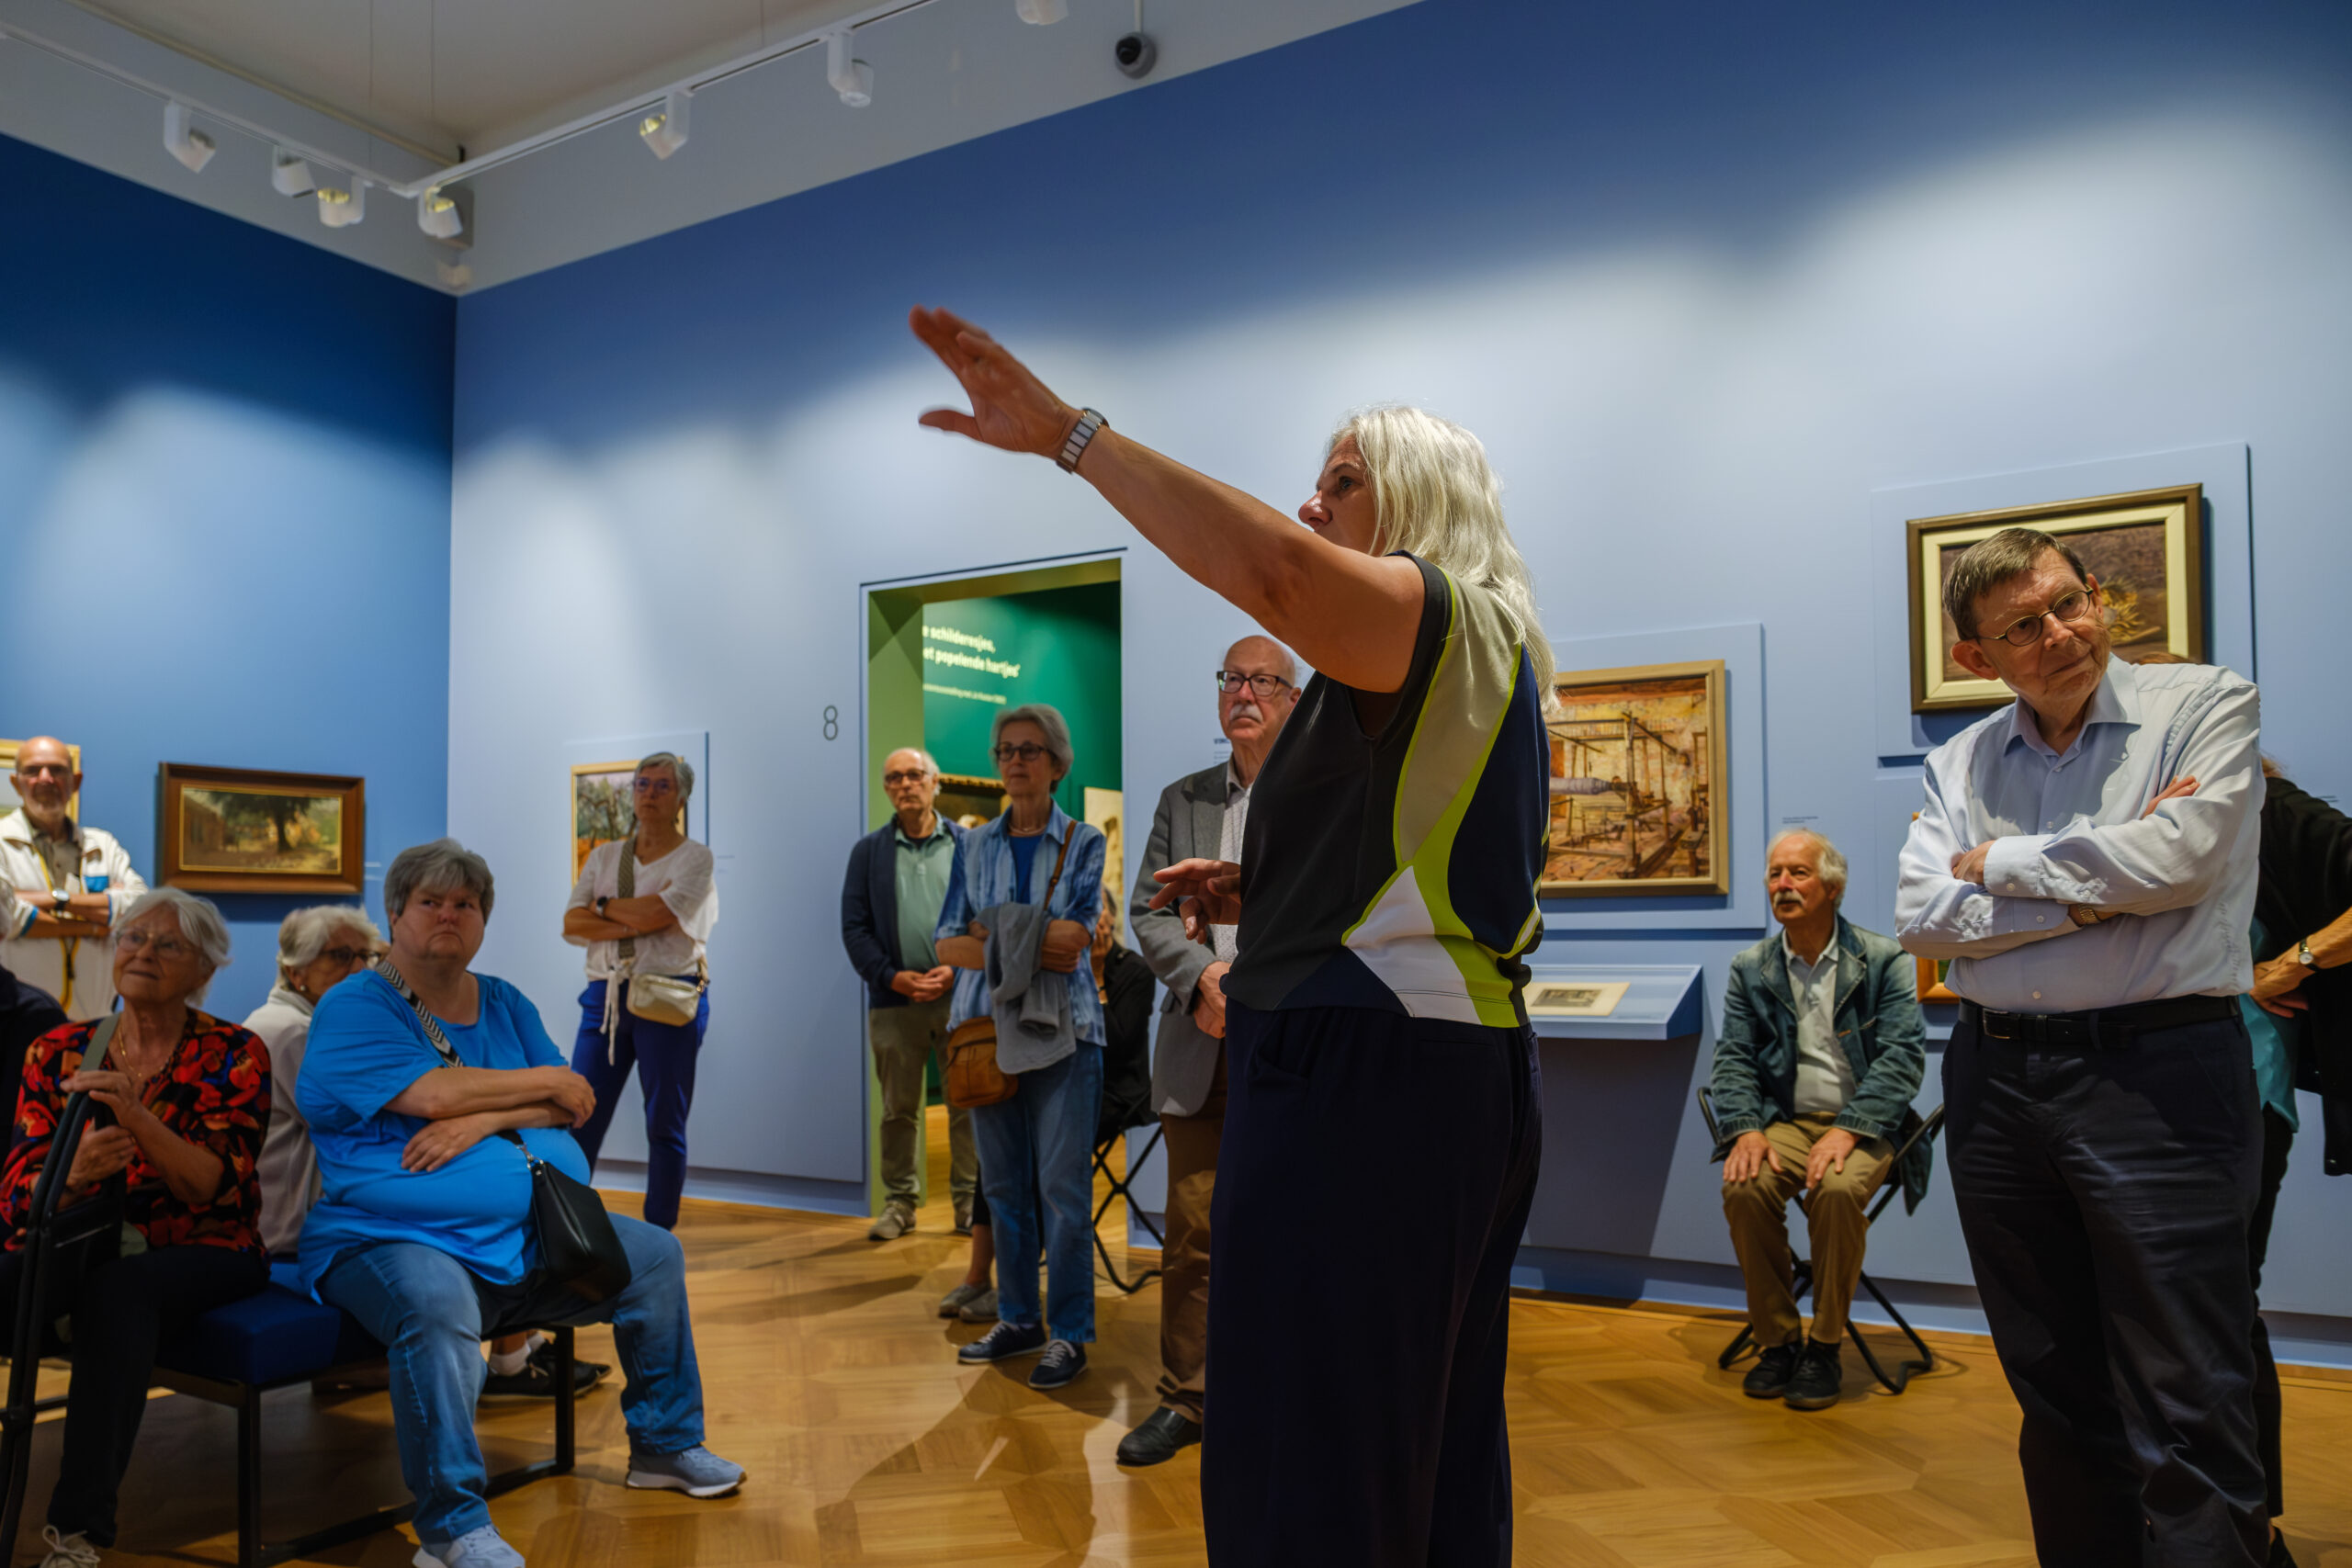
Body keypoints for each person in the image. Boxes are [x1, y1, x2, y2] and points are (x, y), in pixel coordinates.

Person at [913, 309, 1550, 1568]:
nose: (1311, 507)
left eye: (1343, 482)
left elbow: (1272, 573)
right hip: (1421, 1066)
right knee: (1414, 1439)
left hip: (1370, 1076)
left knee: (1308, 1450)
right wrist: (1262, 886)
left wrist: (1069, 435)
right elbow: (1433, 871)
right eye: (1314, 483)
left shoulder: (1439, 613)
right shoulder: (1471, 655)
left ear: (1419, 501)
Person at [1895, 525, 2267, 1566]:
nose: (2059, 632)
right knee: (2055, 1388)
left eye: (2070, 601)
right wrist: (2088, 901)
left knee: (2188, 1390)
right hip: (1995, 1080)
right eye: (2022, 626)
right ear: (1977, 660)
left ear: (2097, 594)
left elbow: (2180, 858)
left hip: (2160, 1074)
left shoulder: (2201, 705)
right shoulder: (1957, 760)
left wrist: (2002, 863)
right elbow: (1923, 918)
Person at [299, 840, 742, 1568]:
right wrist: (523, 1090)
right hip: (390, 1237)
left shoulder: (502, 999)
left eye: (465, 904)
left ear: (482, 920)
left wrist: (486, 1118)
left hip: (528, 1232)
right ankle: (451, 1526)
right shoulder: (355, 1006)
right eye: (431, 902)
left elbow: (571, 1098)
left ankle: (665, 1445)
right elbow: (434, 1093)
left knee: (656, 1255)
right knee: (436, 1306)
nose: (449, 914)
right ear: (395, 914)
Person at [0, 889, 270, 1568]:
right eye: (132, 939)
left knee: (117, 1292)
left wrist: (137, 1117)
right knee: (20, 1275)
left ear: (205, 966)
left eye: (167, 944)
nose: (143, 952)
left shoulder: (235, 1053)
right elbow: (17, 1193)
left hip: (206, 1245)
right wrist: (75, 1175)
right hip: (84, 1235)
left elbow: (211, 1186)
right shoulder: (57, 1049)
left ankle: (76, 1532)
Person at [1115, 634, 1302, 1468]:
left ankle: (1280, 1390)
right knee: (1193, 1229)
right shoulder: (1181, 798)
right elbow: (1150, 911)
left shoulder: (1319, 796)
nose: (1245, 692)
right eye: (1232, 677)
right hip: (1202, 1040)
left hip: (1295, 1045)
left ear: (1294, 700)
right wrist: (1204, 979)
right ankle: (1187, 1396)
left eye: (1264, 679)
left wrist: (1250, 971)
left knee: (1292, 1229)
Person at [1712, 829, 1927, 1412]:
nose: (1783, 884)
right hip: (1785, 1120)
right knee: (1745, 1186)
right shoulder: (1751, 967)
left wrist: (1849, 1127)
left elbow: (1903, 1059)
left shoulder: (1884, 959)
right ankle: (1778, 1341)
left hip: (1866, 1124)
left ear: (1832, 886)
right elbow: (1732, 1056)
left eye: (1798, 873)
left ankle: (1826, 1345)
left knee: (1834, 1190)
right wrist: (1746, 1129)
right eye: (1775, 874)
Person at [933, 705, 1107, 1392]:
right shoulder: (972, 846)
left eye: (1030, 749)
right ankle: (1017, 1316)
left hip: (1069, 1034)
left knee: (1061, 1192)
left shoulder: (1084, 841)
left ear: (1058, 763)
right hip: (985, 1038)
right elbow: (946, 942)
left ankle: (1068, 1332)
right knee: (1002, 1188)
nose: (1014, 760)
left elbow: (1077, 941)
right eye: (1005, 749)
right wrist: (1032, 934)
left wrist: (995, 934)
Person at [2239, 759, 2351, 1568]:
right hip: (2138, 1105)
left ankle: (2250, 1527)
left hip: (2242, 1091)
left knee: (2215, 1309)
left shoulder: (2270, 807)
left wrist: (2297, 959)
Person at [560, 752, 717, 1233]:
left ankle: (658, 1232)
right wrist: (633, 911)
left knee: (664, 1123)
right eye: (642, 785)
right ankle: (563, 1225)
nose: (649, 794)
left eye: (662, 786)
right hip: (604, 997)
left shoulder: (695, 859)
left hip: (668, 995)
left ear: (681, 797)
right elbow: (571, 922)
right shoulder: (606, 856)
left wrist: (604, 907)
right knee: (578, 1110)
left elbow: (656, 917)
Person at [840, 747, 975, 1240]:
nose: (905, 785)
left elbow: (987, 919)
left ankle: (968, 1204)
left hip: (961, 997)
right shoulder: (868, 852)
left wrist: (957, 972)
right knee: (898, 1110)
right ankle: (899, 1203)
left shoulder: (968, 844)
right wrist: (891, 977)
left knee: (967, 1104)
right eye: (894, 777)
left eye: (915, 775)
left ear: (935, 782)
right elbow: (854, 928)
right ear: (886, 788)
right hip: (895, 1001)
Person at [243, 905, 384, 1256]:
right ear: (296, 971)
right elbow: (367, 1124)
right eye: (340, 956)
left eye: (365, 956)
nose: (358, 970)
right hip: (284, 1243)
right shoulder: (293, 1033)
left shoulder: (290, 1023)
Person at [2, 737, 148, 1020]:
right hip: (18, 1023)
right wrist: (96, 924)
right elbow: (8, 916)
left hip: (94, 1019)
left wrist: (54, 901)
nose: (45, 779)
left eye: (56, 770)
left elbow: (139, 907)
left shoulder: (102, 845)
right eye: (33, 771)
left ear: (75, 781)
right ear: (16, 783)